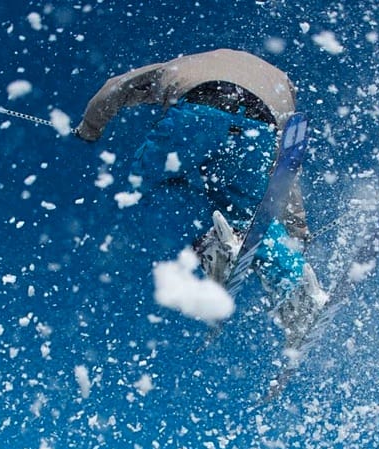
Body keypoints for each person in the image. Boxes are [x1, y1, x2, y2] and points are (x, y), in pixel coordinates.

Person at [76, 49, 326, 348]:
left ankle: (212, 243)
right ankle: (297, 289)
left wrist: (89, 129)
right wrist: (296, 234)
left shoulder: (183, 65)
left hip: (198, 108)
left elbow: (118, 87)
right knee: (247, 214)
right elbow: (283, 177)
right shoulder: (281, 91)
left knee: (148, 188)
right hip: (258, 129)